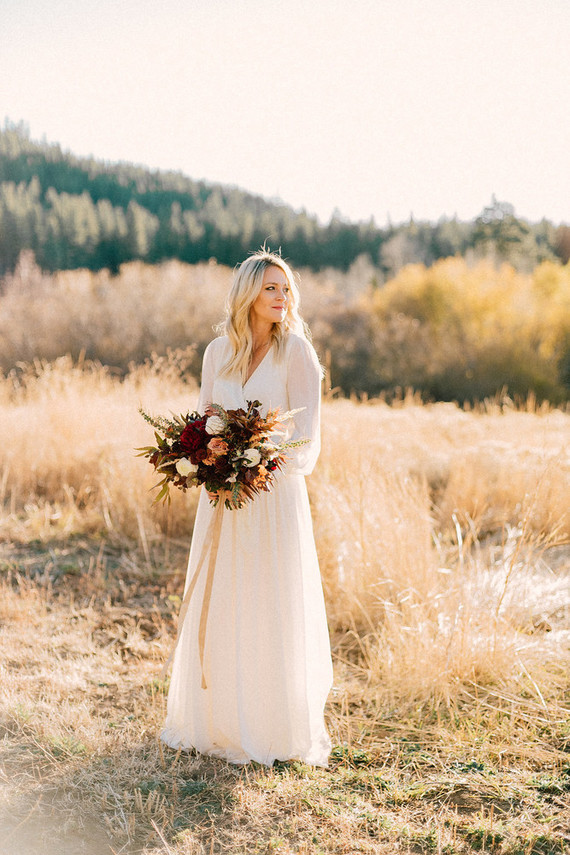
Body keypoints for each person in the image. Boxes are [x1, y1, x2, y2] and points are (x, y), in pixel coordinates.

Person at [160, 249, 333, 767]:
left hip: (273, 497)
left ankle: (271, 726)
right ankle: (218, 720)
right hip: (222, 500)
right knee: (228, 593)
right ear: (248, 294)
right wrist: (207, 459)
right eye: (271, 289)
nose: (282, 298)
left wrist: (257, 462)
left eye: (286, 290)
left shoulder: (296, 352)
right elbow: (206, 418)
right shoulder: (218, 351)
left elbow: (307, 437)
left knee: (269, 597)